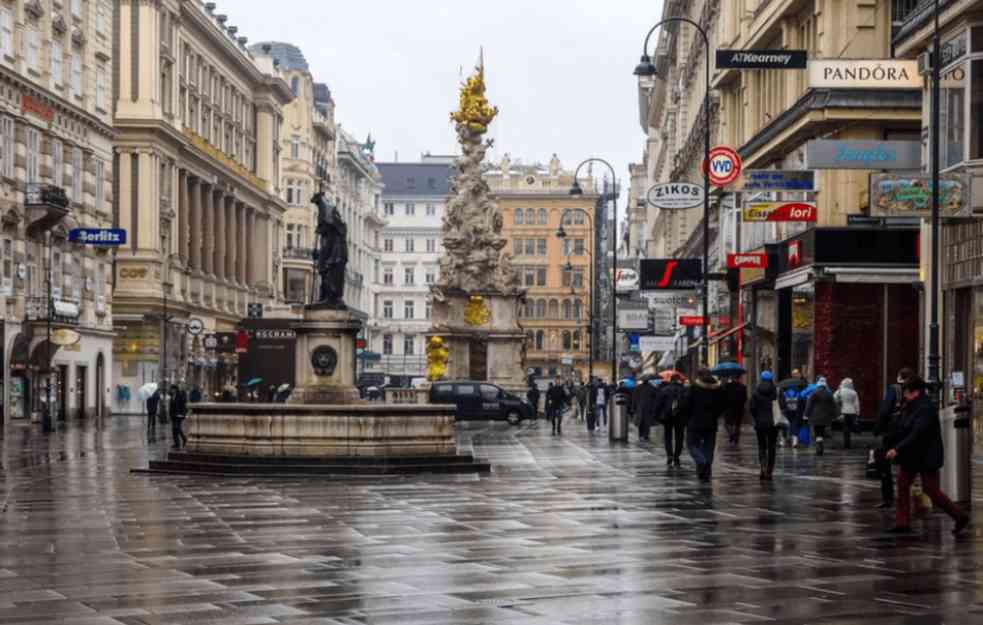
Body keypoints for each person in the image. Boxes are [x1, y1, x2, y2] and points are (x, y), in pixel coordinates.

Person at [885, 375, 970, 535]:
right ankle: (902, 522)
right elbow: (904, 427)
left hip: (926, 455)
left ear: (915, 392)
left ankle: (960, 516)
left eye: (907, 392)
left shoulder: (926, 408)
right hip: (912, 455)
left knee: (931, 490)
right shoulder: (910, 405)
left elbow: (917, 433)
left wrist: (897, 449)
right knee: (903, 483)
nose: (904, 395)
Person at [874, 368, 913, 508]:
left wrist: (877, 429)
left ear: (899, 377)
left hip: (893, 432)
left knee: (885, 464)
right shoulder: (915, 391)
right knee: (908, 467)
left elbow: (885, 411)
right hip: (909, 433)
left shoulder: (893, 389)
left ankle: (888, 498)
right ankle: (908, 497)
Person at [683, 368, 725, 482]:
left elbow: (686, 404)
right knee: (709, 448)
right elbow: (722, 405)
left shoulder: (694, 388)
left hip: (695, 422)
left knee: (691, 445)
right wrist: (715, 415)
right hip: (711, 423)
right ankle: (705, 472)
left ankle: (701, 462)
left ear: (699, 376)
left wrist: (687, 418)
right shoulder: (718, 388)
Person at [749, 371, 780, 480]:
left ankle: (763, 466)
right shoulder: (776, 392)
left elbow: (752, 408)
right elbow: (783, 406)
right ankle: (769, 470)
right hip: (773, 424)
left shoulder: (756, 392)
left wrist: (756, 418)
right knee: (772, 446)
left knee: (762, 446)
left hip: (760, 424)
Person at [659, 374, 687, 467]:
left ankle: (669, 455)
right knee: (679, 437)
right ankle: (676, 456)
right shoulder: (684, 390)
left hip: (667, 417)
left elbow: (659, 404)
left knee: (668, 436)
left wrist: (657, 416)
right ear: (678, 380)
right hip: (680, 417)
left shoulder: (664, 390)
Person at [804, 376, 837, 455]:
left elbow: (809, 405)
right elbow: (833, 405)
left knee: (817, 431)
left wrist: (806, 414)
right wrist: (834, 415)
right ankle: (820, 446)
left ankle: (819, 448)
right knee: (821, 431)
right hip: (825, 417)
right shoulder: (829, 393)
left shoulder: (814, 393)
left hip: (815, 417)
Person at [778, 368, 807, 447]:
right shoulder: (800, 387)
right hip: (797, 410)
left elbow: (781, 400)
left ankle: (783, 441)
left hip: (786, 410)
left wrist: (782, 408)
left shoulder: (784, 388)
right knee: (795, 424)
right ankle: (794, 441)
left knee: (784, 425)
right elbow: (803, 399)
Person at [834, 377, 861, 449]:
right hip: (852, 412)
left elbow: (834, 400)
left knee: (845, 428)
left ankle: (846, 443)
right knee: (849, 427)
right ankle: (848, 442)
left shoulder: (839, 391)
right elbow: (856, 404)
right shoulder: (854, 392)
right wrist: (857, 413)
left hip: (843, 411)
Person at [723, 376, 748, 446]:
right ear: (739, 378)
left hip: (729, 408)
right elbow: (745, 398)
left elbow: (723, 397)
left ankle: (731, 434)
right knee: (737, 425)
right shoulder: (743, 387)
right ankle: (736, 438)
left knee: (727, 423)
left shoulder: (727, 386)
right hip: (739, 408)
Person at [634, 377, 660, 442]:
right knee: (646, 422)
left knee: (641, 422)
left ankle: (641, 435)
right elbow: (656, 397)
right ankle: (645, 436)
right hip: (648, 407)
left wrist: (634, 406)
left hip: (640, 407)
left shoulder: (638, 387)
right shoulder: (652, 387)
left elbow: (635, 397)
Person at [169, 384, 188, 449]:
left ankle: (184, 439)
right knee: (174, 430)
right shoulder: (172, 395)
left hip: (179, 415)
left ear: (175, 389)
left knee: (177, 428)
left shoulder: (180, 395)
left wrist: (183, 414)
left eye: (172, 389)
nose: (171, 390)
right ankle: (176, 443)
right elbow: (171, 406)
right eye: (171, 389)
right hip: (173, 415)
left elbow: (183, 405)